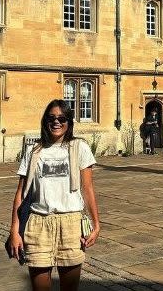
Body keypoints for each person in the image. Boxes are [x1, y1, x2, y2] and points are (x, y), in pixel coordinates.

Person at [8, 99, 100, 291]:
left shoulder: (79, 147)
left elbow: (88, 188)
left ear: (69, 122)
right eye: (51, 118)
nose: (56, 122)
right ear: (45, 121)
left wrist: (96, 225)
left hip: (71, 223)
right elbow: (20, 193)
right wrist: (14, 232)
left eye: (62, 118)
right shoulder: (33, 151)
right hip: (38, 222)